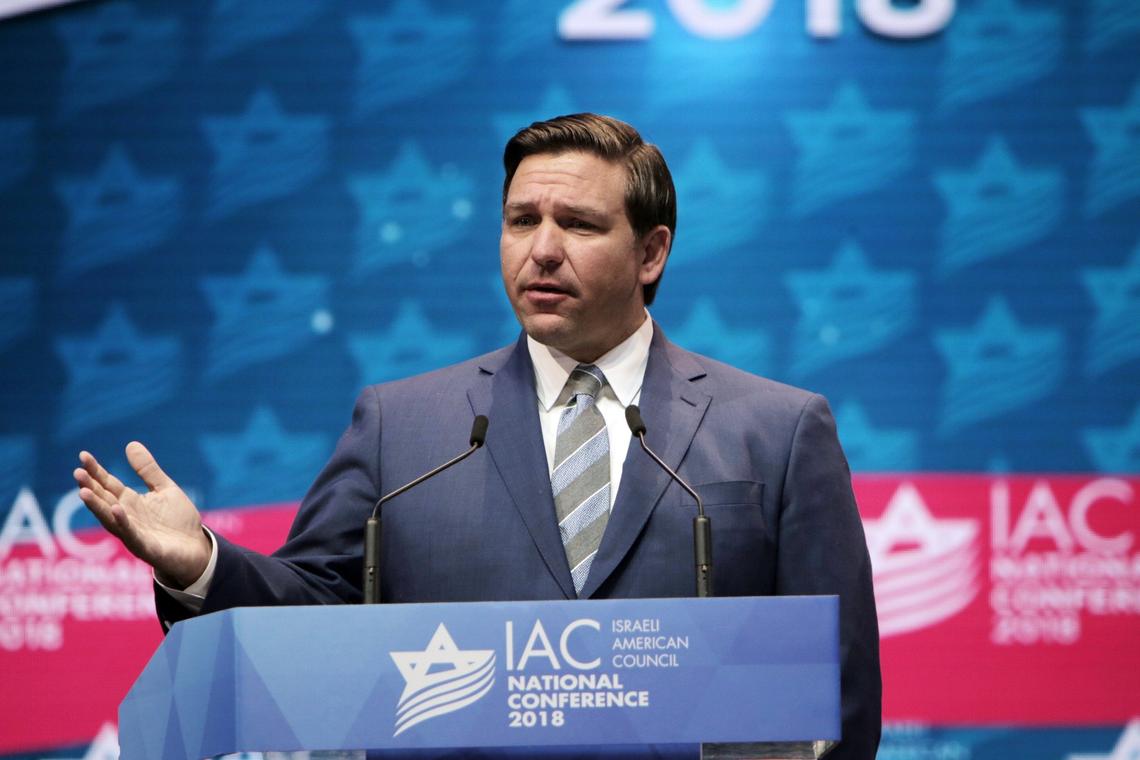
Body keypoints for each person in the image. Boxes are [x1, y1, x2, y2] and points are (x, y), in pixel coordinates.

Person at [74, 114, 881, 759]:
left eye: (579, 224)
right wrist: (202, 565)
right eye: (521, 219)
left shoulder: (776, 430)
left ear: (651, 251)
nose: (543, 250)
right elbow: (312, 617)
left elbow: (838, 696)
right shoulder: (403, 427)